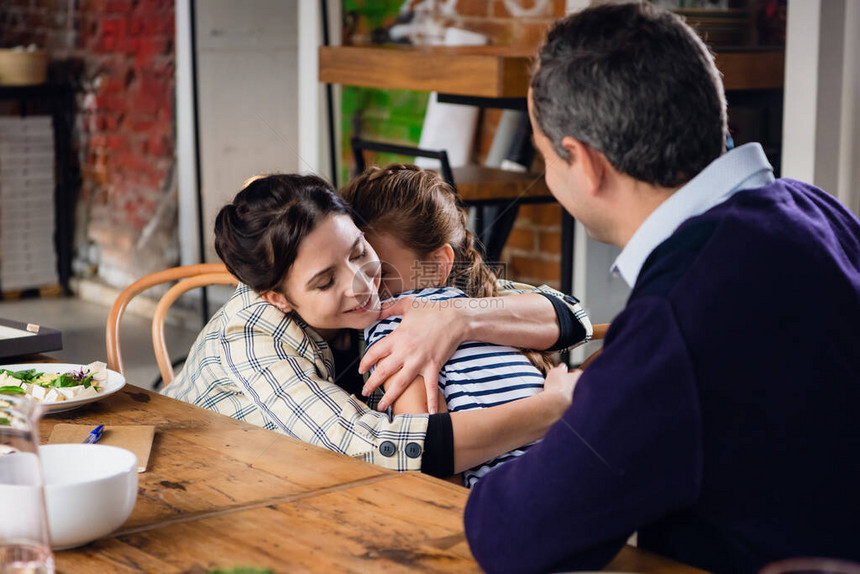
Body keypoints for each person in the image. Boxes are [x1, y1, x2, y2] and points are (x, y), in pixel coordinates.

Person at [463, 3, 860, 573]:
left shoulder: (679, 318)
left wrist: (576, 407)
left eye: (546, 156)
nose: (547, 176)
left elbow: (513, 534)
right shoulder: (820, 212)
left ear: (585, 163)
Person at [164, 173, 588, 480]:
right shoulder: (253, 336)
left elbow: (570, 314)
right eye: (326, 281)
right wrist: (550, 412)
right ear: (278, 297)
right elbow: (378, 449)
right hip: (203, 473)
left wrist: (456, 318)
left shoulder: (401, 286)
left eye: (359, 251)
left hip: (307, 476)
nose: (363, 284)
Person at [342, 164, 586, 487]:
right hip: (579, 472)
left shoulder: (391, 325)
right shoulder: (488, 306)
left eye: (380, 273)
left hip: (517, 500)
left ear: (438, 265)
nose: (362, 287)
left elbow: (434, 470)